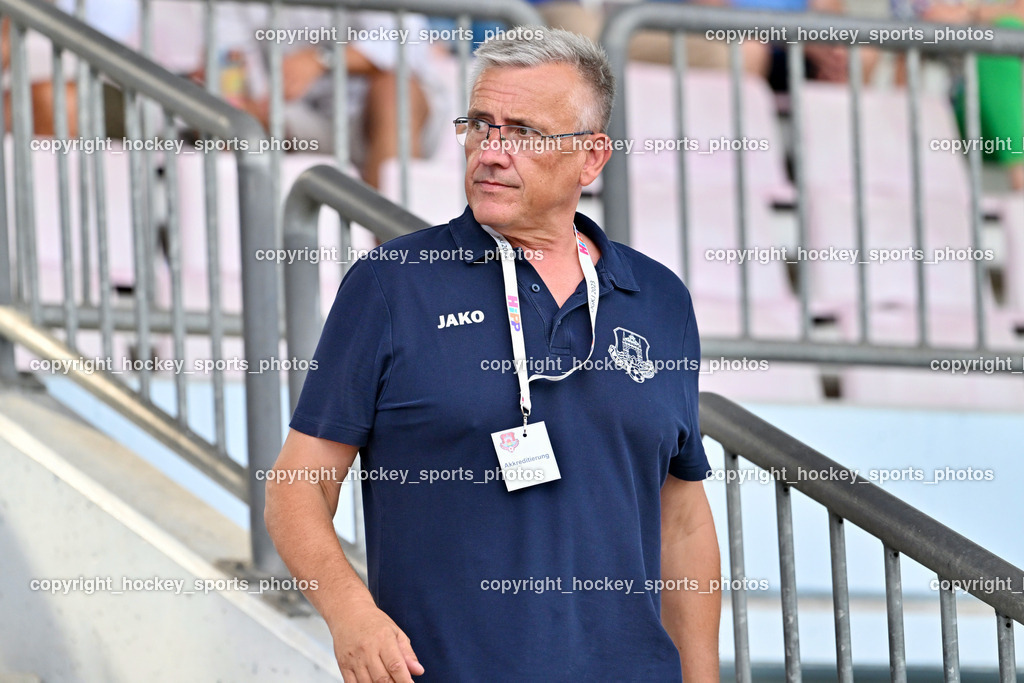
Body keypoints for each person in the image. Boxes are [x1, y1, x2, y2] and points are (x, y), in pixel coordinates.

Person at [265, 29, 720, 682]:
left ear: (592, 158)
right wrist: (350, 613)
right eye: (481, 125)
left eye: (524, 132)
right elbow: (295, 486)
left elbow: (681, 521)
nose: (491, 152)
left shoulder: (659, 299)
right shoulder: (393, 284)